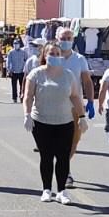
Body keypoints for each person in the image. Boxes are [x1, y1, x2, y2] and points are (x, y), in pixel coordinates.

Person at [24, 41, 83, 203]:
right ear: (44, 55)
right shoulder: (36, 74)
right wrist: (27, 115)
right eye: (51, 53)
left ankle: (62, 191)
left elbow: (75, 97)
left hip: (64, 122)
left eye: (57, 53)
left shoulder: (68, 74)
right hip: (41, 121)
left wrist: (82, 117)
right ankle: (46, 189)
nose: (55, 56)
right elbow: (28, 96)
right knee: (47, 156)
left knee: (63, 157)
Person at [55, 27, 96, 183]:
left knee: (74, 139)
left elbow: (86, 81)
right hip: (53, 106)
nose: (65, 41)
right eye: (63, 38)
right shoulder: (52, 57)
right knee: (58, 140)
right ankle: (64, 170)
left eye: (69, 38)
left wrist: (91, 101)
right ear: (57, 39)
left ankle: (64, 167)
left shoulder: (79, 59)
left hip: (74, 106)